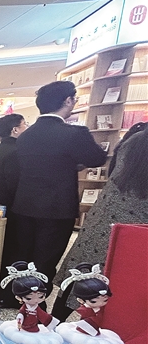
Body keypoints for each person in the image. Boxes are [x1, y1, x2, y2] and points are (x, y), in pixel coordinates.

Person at [11, 80, 107, 290]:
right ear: (68, 100)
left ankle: (23, 299)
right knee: (46, 260)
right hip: (57, 207)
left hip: (25, 204)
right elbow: (97, 158)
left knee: (24, 256)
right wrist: (75, 164)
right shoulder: (75, 133)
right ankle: (37, 302)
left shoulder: (25, 136)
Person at [51, 122, 148, 321]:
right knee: (118, 283)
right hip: (137, 230)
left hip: (102, 221)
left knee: (79, 275)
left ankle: (55, 324)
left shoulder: (134, 140)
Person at [0, 113, 28, 307]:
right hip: (13, 209)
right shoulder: (16, 153)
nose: (26, 128)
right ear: (15, 129)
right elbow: (15, 184)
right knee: (13, 250)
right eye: (24, 125)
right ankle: (8, 295)